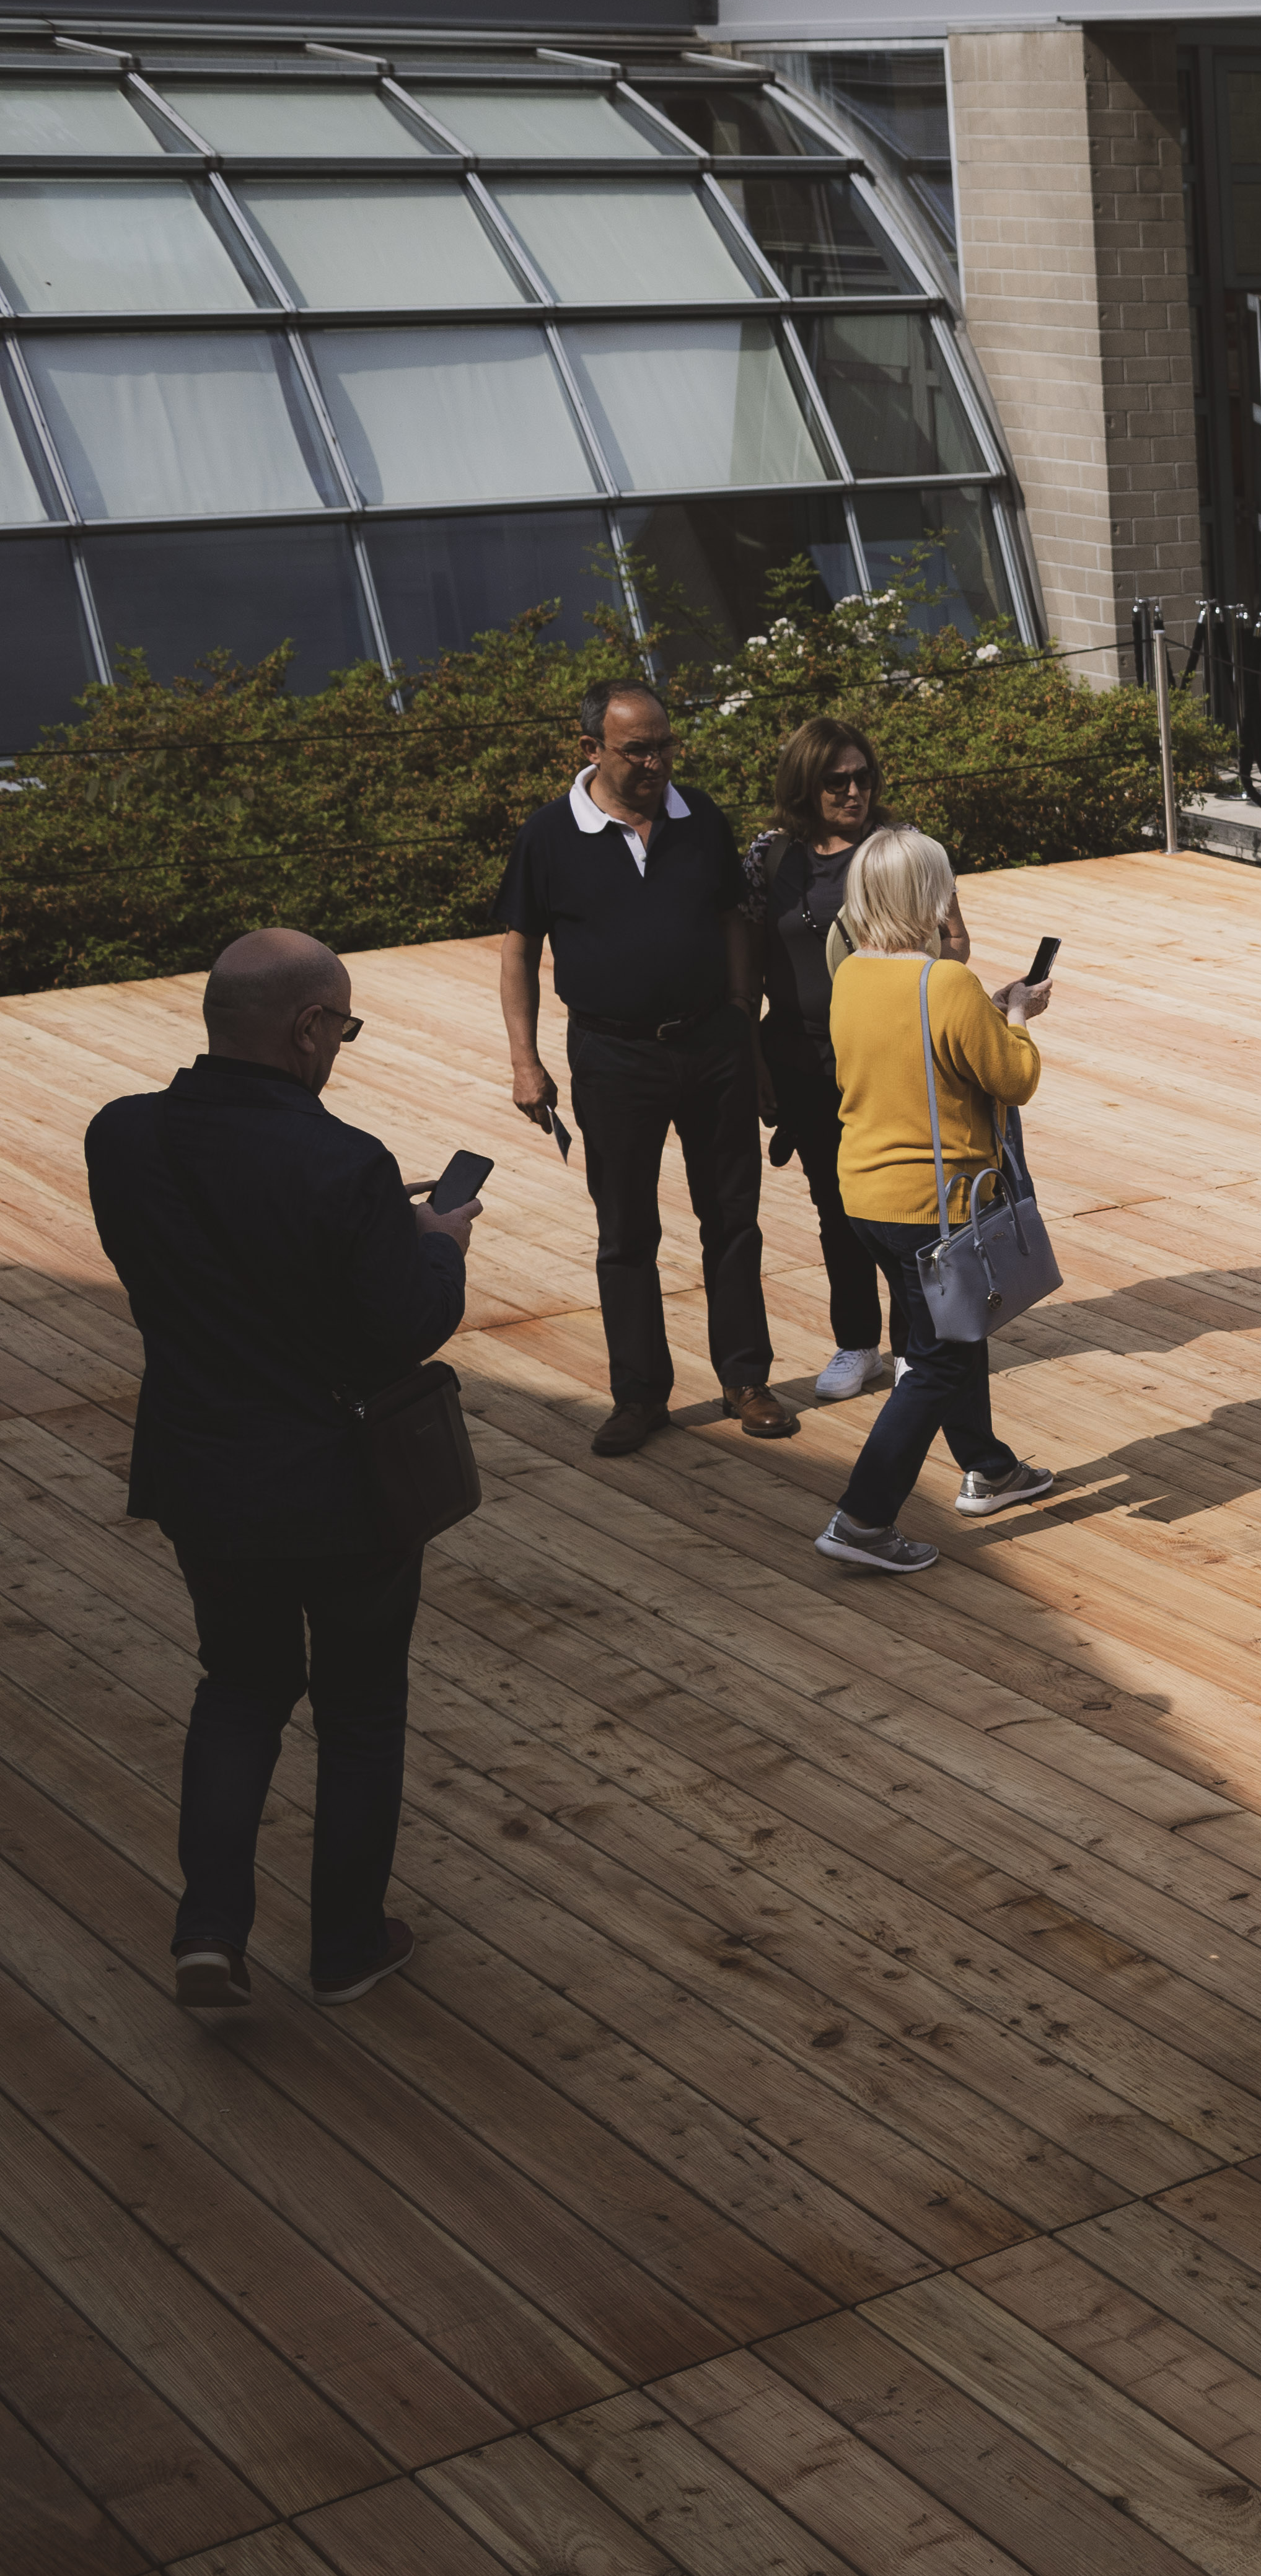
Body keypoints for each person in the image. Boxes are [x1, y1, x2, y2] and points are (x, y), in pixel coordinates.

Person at [87, 931, 478, 2011]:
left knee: (239, 1689)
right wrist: (435, 1244)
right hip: (341, 1485)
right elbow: (404, 1326)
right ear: (310, 1028)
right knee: (360, 1707)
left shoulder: (121, 1134)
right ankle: (346, 1943)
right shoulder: (344, 1163)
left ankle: (210, 1931)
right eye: (342, 1028)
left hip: (202, 1471)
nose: (341, 1047)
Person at [496, 677, 788, 1456]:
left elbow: (734, 920)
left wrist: (743, 1020)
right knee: (625, 1229)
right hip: (612, 1055)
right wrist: (525, 1062)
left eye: (664, 746)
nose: (656, 763)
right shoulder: (548, 835)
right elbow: (519, 952)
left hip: (713, 1045)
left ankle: (746, 1379)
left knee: (732, 1218)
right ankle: (639, 1395)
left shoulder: (701, 819)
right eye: (638, 751)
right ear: (591, 748)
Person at [813, 826, 1057, 1575]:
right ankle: (863, 1519)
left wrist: (983, 1004)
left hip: (867, 1197)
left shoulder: (849, 974)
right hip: (936, 1206)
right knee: (936, 1364)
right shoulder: (945, 984)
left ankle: (990, 1468)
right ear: (930, 895)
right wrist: (1017, 1016)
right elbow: (1014, 1079)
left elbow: (911, 1046)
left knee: (956, 1324)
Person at [749, 716, 895, 1405]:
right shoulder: (770, 857)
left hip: (885, 1058)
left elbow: (947, 940)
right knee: (835, 1207)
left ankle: (918, 1343)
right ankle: (858, 1341)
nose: (853, 792)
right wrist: (752, 1053)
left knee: (901, 1202)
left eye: (863, 777)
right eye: (837, 781)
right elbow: (749, 955)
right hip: (801, 1058)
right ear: (806, 784)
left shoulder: (898, 849)